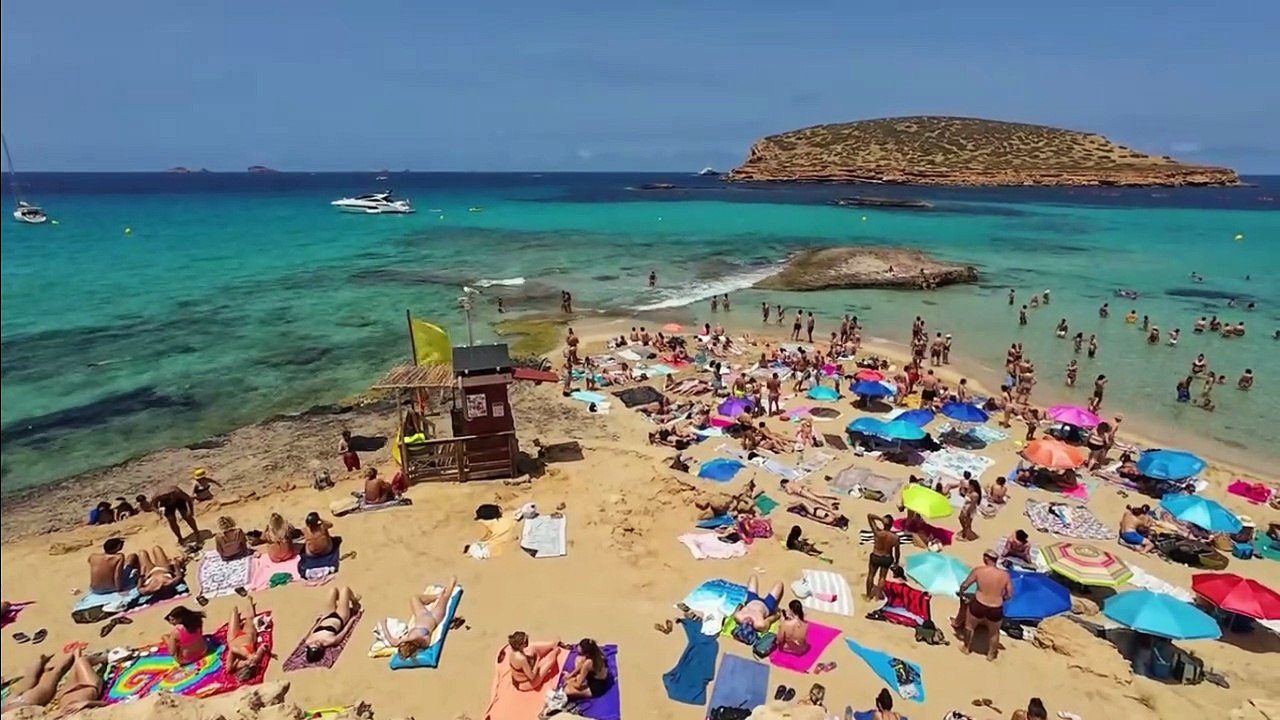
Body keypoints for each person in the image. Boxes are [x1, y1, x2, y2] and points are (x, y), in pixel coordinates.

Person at [378, 577, 458, 660]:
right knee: (445, 598)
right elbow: (414, 639)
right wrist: (402, 640)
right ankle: (452, 584)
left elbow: (389, 637)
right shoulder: (423, 643)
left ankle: (436, 596)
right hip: (434, 618)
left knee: (414, 598)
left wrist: (386, 631)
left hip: (420, 616)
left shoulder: (405, 641)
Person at [1, 650, 106, 712]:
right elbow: (104, 704)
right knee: (38, 679)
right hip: (86, 687)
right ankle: (43, 661)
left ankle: (78, 657)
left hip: (66, 694)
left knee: (74, 665)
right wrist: (87, 703)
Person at [957, 550, 1013, 660]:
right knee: (994, 633)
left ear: (986, 558)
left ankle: (966, 648)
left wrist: (961, 593)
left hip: (979, 604)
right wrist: (1000, 599)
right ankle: (991, 654)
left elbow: (965, 585)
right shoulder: (1005, 575)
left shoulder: (979, 571)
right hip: (996, 607)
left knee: (970, 627)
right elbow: (1009, 594)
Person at [302, 586, 363, 663]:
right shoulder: (331, 640)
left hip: (326, 616)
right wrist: (352, 619)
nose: (315, 643)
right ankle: (354, 601)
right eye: (317, 646)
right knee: (345, 590)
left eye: (312, 646)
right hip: (340, 616)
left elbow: (313, 630)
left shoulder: (309, 640)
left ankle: (341, 601)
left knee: (333, 590)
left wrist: (319, 620)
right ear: (321, 649)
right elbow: (344, 631)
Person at [499, 631, 566, 691]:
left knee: (532, 648)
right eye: (525, 642)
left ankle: (553, 645)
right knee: (550, 659)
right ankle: (556, 650)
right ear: (520, 645)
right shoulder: (521, 659)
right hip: (526, 683)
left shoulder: (513, 651)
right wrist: (537, 661)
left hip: (523, 675)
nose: (527, 643)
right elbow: (532, 677)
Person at [225, 597, 269, 681]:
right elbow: (261, 649)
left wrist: (246, 655)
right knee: (250, 619)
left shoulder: (230, 667)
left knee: (234, 611)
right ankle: (249, 600)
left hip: (233, 638)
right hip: (248, 636)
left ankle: (241, 611)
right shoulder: (255, 659)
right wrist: (264, 648)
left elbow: (232, 650)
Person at [865, 514, 900, 600]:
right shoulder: (895, 538)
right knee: (882, 577)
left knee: (871, 575)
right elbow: (897, 552)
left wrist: (880, 519)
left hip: (876, 556)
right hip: (886, 558)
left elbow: (869, 516)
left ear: (884, 523)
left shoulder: (878, 533)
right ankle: (878, 596)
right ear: (891, 525)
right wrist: (896, 561)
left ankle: (868, 596)